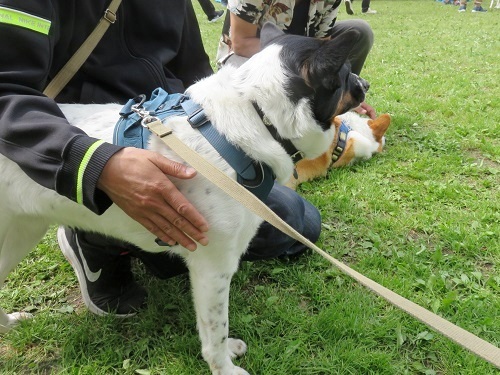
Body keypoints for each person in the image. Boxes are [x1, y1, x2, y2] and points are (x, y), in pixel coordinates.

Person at [0, 0, 321, 316]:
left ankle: (122, 234)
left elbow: (194, 73)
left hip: (169, 139)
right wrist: (98, 165)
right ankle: (92, 237)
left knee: (295, 220)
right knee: (235, 229)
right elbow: (6, 93)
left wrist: (224, 139)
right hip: (77, 141)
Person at [217, 0, 377, 119]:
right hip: (250, 59)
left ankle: (336, 106)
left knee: (360, 31)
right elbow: (241, 43)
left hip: (303, 61)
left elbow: (325, 48)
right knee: (254, 93)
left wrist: (344, 91)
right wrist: (296, 61)